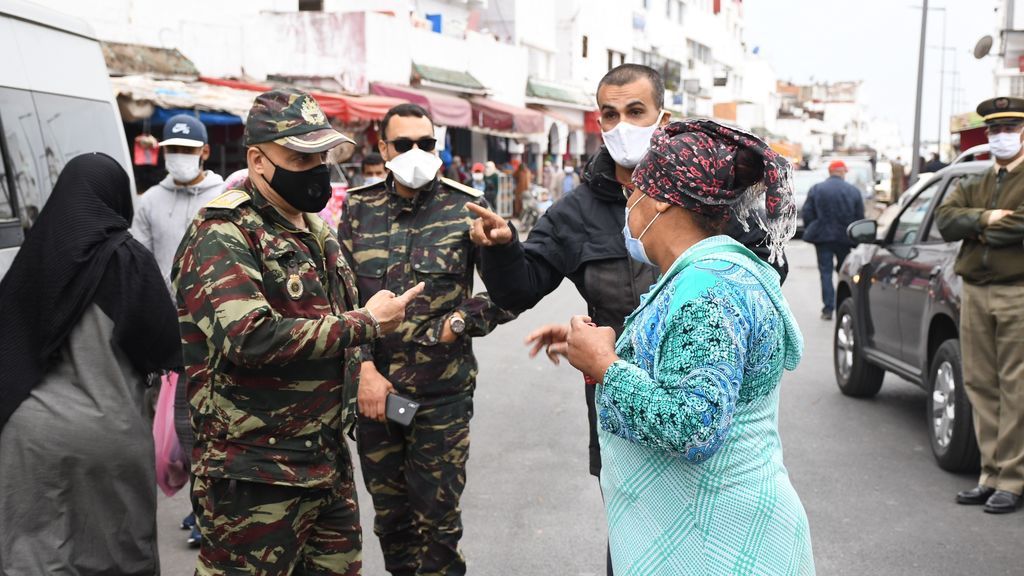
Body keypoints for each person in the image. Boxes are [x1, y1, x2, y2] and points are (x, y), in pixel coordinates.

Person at [465, 64, 788, 576]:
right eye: (609, 114)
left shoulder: (713, 259)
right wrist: (507, 251)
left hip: (700, 414)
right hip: (623, 408)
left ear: (663, 115)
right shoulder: (577, 210)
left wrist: (609, 359)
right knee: (636, 539)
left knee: (698, 544)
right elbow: (519, 287)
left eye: (635, 111)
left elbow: (696, 413)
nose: (621, 125)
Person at [540, 119, 813, 573]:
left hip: (718, 546)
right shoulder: (709, 277)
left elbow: (693, 425)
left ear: (661, 203)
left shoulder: (707, 290)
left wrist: (607, 366)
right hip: (718, 535)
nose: (627, 205)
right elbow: (685, 369)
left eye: (633, 194)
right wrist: (598, 351)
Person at [172, 88, 422, 574]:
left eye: (321, 155)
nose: (316, 168)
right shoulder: (222, 231)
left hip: (324, 461)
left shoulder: (314, 229)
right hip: (254, 472)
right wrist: (365, 322)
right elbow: (249, 337)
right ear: (258, 161)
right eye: (299, 157)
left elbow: (335, 319)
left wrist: (366, 357)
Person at [339, 103, 515, 575]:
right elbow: (341, 299)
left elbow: (510, 290)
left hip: (443, 397)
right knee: (392, 523)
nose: (416, 152)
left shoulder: (467, 207)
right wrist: (366, 370)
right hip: (378, 397)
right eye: (404, 144)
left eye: (426, 143)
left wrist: (460, 320)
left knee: (437, 525)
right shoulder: (358, 208)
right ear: (382, 148)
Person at [0, 153, 182, 574]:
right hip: (109, 438)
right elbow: (167, 348)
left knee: (35, 556)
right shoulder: (128, 262)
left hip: (28, 440)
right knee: (118, 555)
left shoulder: (32, 258)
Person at [131, 112, 226, 547]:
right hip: (173, 337)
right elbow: (140, 266)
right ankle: (200, 508)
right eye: (174, 151)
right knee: (184, 429)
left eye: (188, 151)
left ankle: (212, 512)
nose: (181, 159)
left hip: (219, 333)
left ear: (205, 151)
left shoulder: (225, 194)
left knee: (218, 427)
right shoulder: (149, 201)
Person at [936, 96, 1024, 514]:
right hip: (975, 288)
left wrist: (977, 223)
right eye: (995, 130)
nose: (1001, 137)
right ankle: (990, 474)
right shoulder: (976, 179)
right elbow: (946, 218)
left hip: (1016, 291)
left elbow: (1020, 227)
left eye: (1010, 129)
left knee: (1016, 387)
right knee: (980, 383)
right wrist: (990, 219)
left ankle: (1012, 478)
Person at [801, 159, 864, 320]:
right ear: (842, 172)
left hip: (823, 238)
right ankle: (844, 305)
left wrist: (814, 227)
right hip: (845, 238)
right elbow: (859, 218)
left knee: (825, 272)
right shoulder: (853, 191)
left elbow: (807, 213)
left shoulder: (817, 189)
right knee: (844, 273)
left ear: (830, 172)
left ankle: (828, 309)